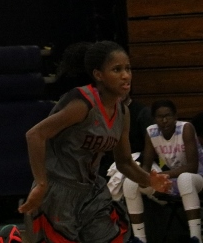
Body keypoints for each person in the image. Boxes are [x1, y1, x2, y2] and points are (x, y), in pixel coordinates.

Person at [18, 40, 171, 243]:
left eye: (127, 68)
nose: (125, 75)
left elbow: (124, 162)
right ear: (99, 74)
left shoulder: (122, 112)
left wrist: (149, 181)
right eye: (117, 69)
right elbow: (35, 135)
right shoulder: (83, 104)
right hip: (58, 189)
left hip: (91, 192)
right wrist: (41, 183)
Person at [122, 100, 203, 243]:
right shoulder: (151, 132)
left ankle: (196, 237)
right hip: (172, 180)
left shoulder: (186, 128)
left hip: (197, 178)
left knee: (185, 178)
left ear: (175, 116)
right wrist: (144, 179)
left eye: (168, 116)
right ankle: (139, 239)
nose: (164, 120)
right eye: (160, 117)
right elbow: (146, 165)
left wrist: (158, 176)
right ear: (154, 118)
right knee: (130, 182)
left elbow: (192, 167)